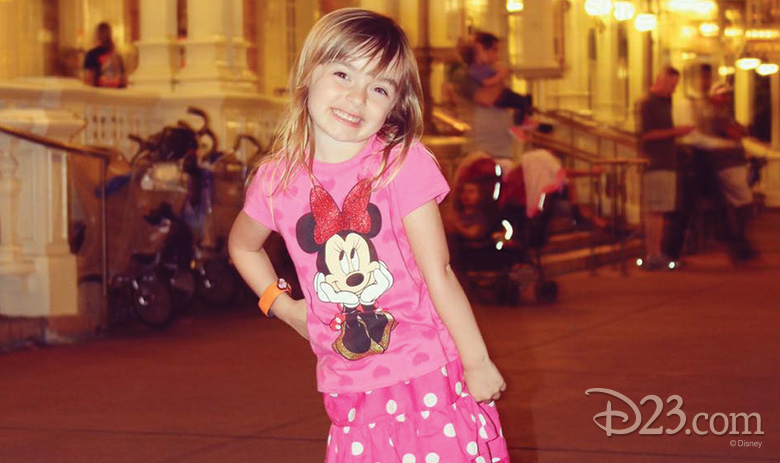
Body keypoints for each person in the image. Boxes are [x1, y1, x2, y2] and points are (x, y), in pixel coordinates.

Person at [228, 9, 510, 463]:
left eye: (378, 88)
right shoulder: (276, 181)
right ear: (308, 73)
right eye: (343, 73)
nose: (356, 98)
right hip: (348, 386)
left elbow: (438, 272)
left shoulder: (400, 164)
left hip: (428, 375)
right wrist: (283, 307)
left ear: (395, 104)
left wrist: (476, 361)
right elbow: (242, 246)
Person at [637, 66, 694, 270]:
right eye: (672, 84)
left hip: (667, 162)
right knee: (655, 209)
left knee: (660, 210)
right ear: (661, 80)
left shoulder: (666, 102)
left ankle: (656, 253)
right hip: (656, 162)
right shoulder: (648, 103)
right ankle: (652, 254)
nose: (674, 90)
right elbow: (646, 135)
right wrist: (676, 131)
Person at [696, 82, 757, 262]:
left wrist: (741, 130)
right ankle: (737, 239)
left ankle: (738, 242)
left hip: (732, 162)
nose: (726, 99)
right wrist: (738, 131)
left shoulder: (724, 113)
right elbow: (735, 132)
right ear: (713, 96)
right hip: (726, 163)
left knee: (738, 203)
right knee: (745, 201)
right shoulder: (714, 114)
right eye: (722, 95)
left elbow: (742, 130)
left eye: (728, 95)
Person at [466, 32, 532, 126]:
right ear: (482, 51)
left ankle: (523, 121)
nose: (497, 57)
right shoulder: (475, 71)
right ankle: (520, 124)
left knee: (525, 100)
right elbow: (487, 94)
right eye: (494, 51)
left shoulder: (486, 68)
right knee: (522, 101)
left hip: (499, 131)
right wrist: (501, 76)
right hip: (489, 132)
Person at [83, 22, 127, 88]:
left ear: (97, 35)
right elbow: (124, 80)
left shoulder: (91, 54)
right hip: (115, 94)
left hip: (99, 94)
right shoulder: (117, 56)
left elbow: (89, 79)